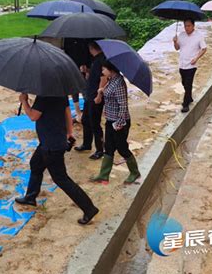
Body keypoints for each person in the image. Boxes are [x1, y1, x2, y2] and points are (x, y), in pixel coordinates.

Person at [15, 93, 99, 225]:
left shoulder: (44, 96)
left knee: (61, 178)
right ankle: (30, 197)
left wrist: (24, 101)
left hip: (51, 145)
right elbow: (67, 112)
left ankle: (89, 208)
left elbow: (33, 116)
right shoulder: (61, 92)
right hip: (52, 141)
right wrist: (69, 132)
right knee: (36, 164)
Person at [91, 60, 141, 184]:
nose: (102, 72)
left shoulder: (119, 83)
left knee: (122, 148)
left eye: (104, 69)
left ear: (110, 69)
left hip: (119, 122)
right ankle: (103, 175)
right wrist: (101, 92)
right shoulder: (111, 80)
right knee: (108, 147)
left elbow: (123, 105)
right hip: (110, 120)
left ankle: (135, 172)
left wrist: (119, 123)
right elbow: (109, 96)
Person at [74, 42, 106, 160]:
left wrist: (99, 94)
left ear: (92, 48)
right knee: (85, 120)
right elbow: (94, 76)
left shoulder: (101, 61)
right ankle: (87, 144)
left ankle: (100, 149)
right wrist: (87, 71)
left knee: (95, 123)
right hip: (89, 96)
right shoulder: (95, 61)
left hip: (95, 97)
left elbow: (103, 78)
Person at [173, 18, 207, 113]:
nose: (187, 28)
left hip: (192, 65)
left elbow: (204, 49)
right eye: (185, 26)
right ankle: (190, 97)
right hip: (182, 64)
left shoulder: (199, 36)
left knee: (188, 84)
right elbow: (177, 48)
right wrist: (175, 42)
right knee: (184, 83)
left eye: (188, 26)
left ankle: (185, 104)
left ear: (193, 26)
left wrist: (196, 58)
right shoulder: (181, 35)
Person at [63, 38, 92, 121]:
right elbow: (67, 50)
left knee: (85, 88)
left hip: (84, 65)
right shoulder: (68, 38)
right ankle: (78, 112)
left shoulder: (85, 37)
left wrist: (87, 67)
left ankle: (86, 112)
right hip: (73, 64)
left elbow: (86, 50)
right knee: (74, 88)